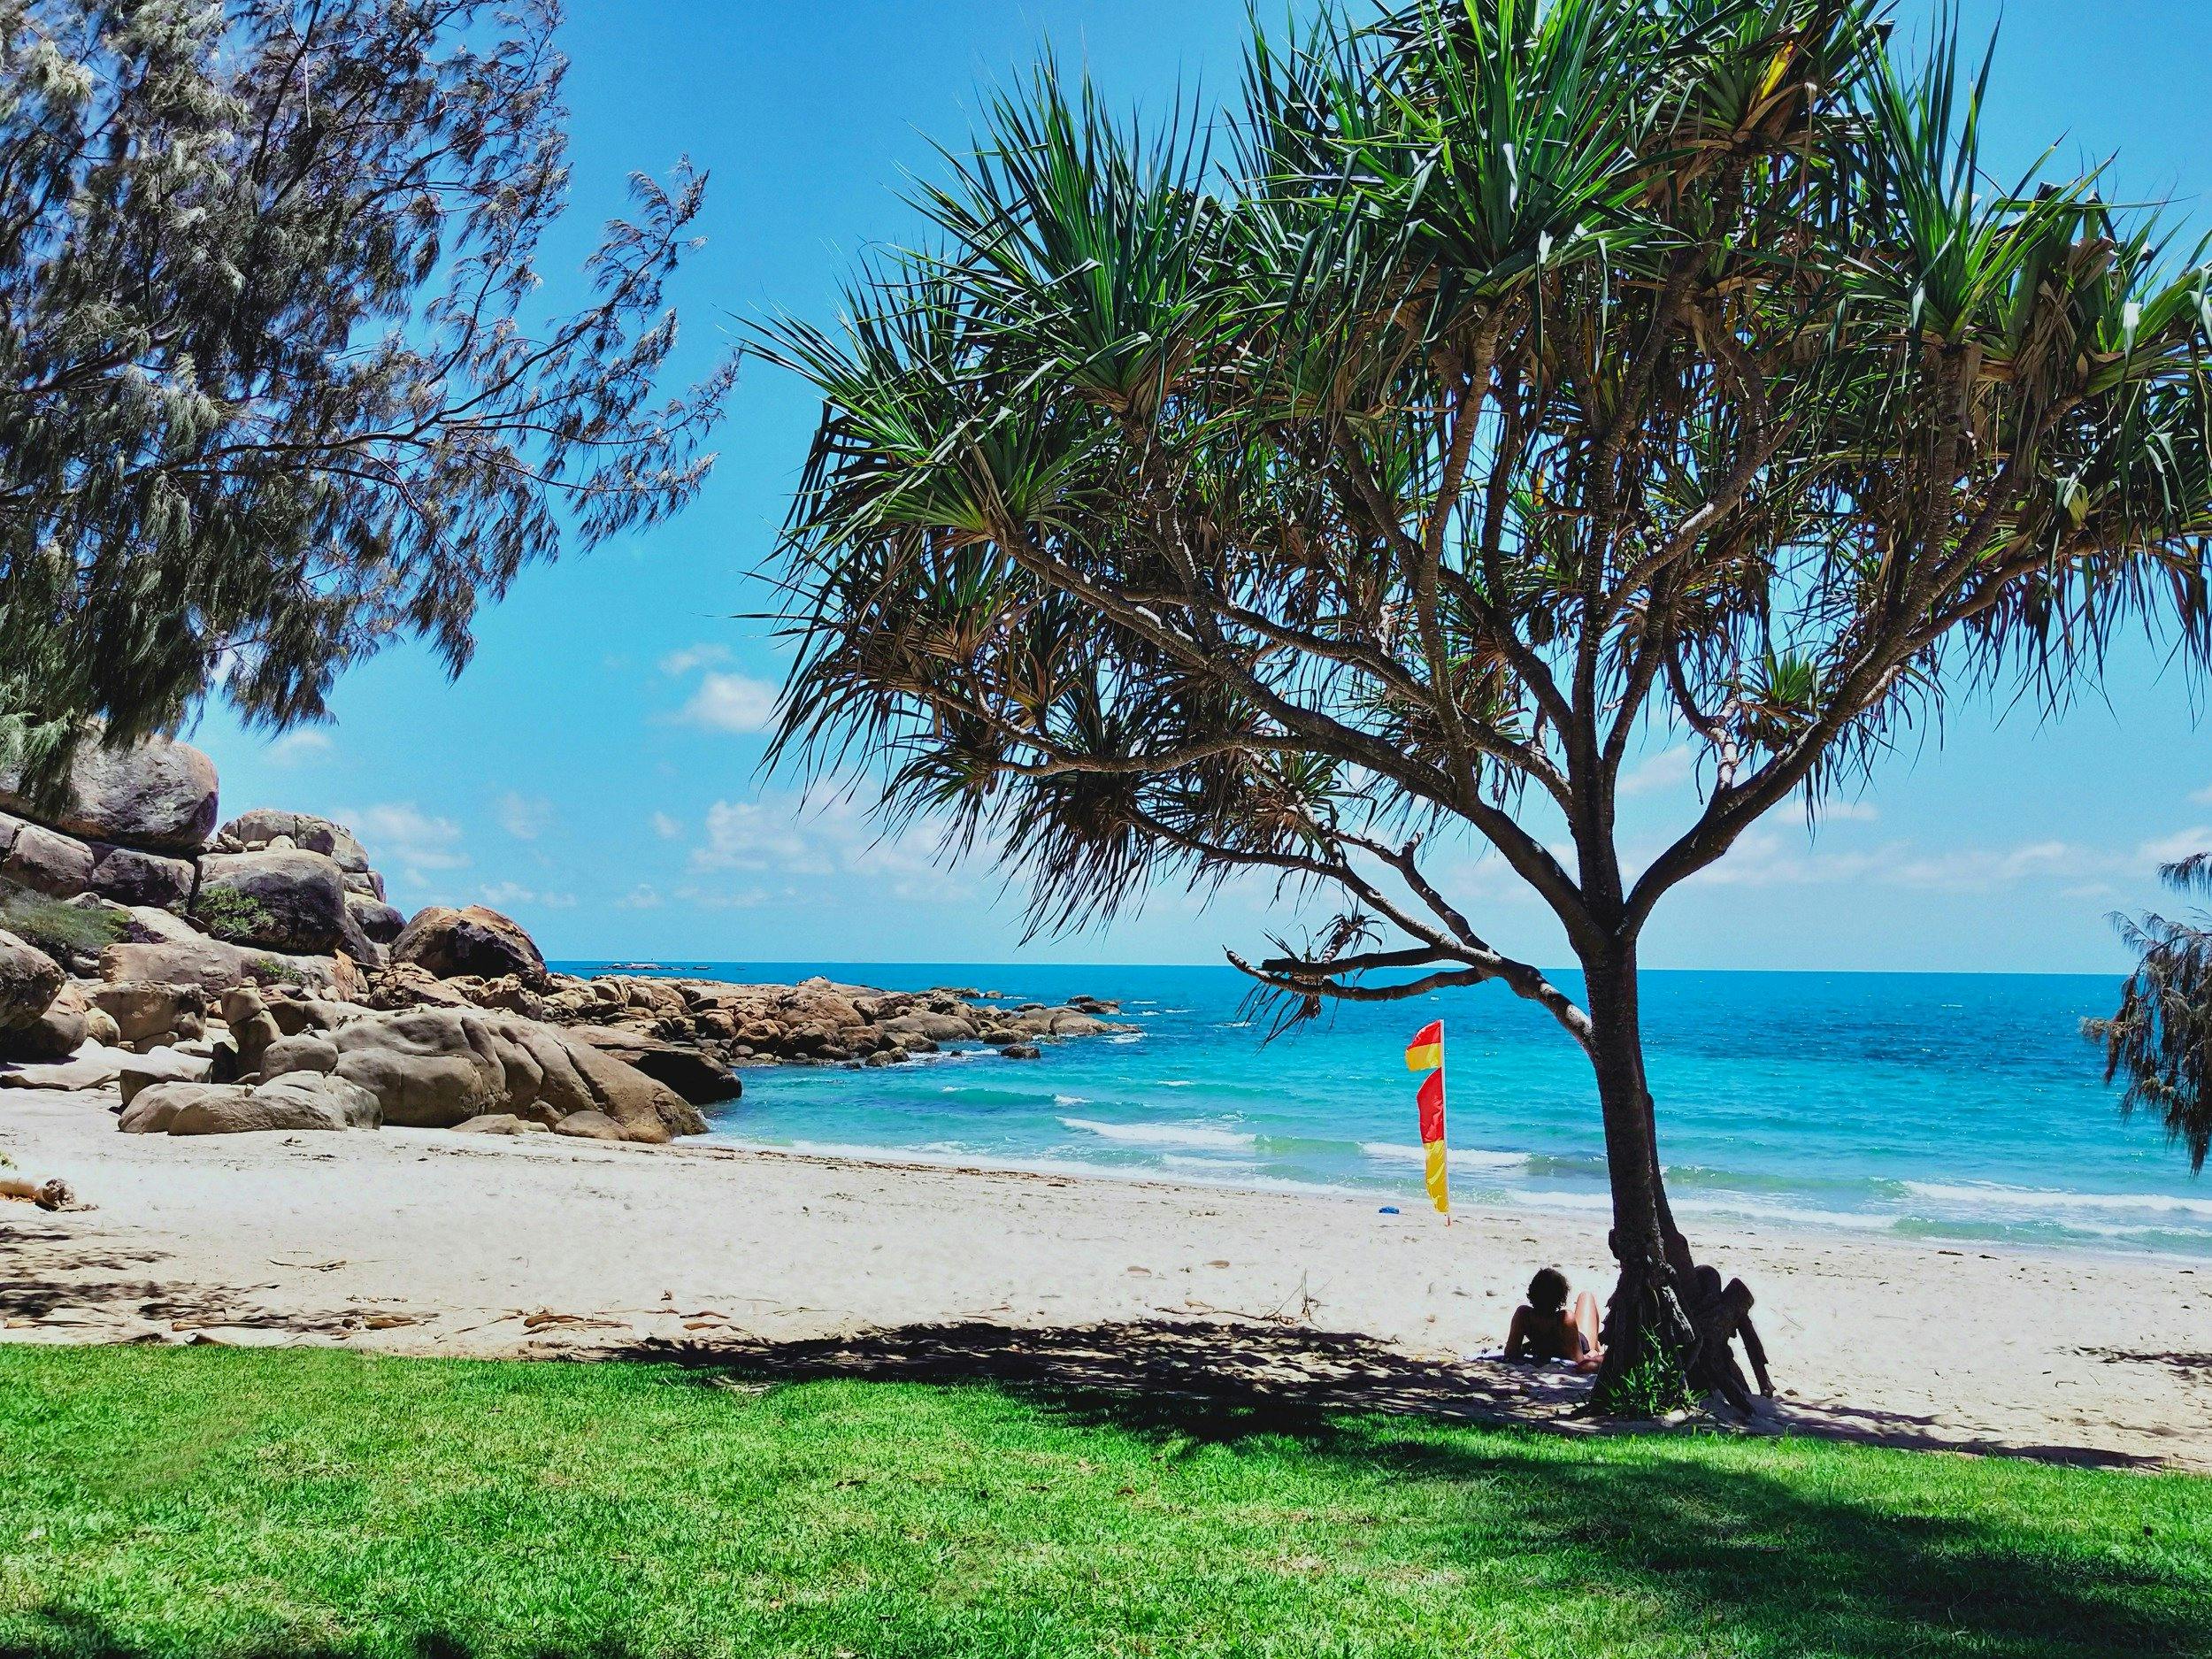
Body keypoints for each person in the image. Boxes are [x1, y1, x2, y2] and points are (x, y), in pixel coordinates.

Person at [1505, 1267, 1603, 1372]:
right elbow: (1580, 1362)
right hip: (1582, 1344)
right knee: (1586, 1295)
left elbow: (1510, 1353)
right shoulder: (1565, 1319)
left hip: (1570, 1339)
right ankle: (1597, 1347)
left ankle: (1597, 1346)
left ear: (1532, 1291)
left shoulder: (1524, 1314)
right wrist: (1592, 1353)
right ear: (1561, 1296)